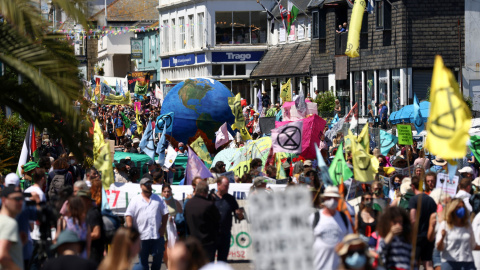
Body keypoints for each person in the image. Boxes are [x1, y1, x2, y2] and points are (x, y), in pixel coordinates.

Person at [125, 176, 169, 270]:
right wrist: (130, 229)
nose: (149, 186)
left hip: (156, 236)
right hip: (141, 237)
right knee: (142, 264)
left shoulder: (158, 199)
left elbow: (165, 213)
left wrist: (163, 227)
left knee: (157, 260)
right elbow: (129, 215)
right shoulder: (135, 200)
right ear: (141, 186)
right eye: (146, 184)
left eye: (150, 184)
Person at [310, 186, 353, 270]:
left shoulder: (343, 218)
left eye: (335, 198)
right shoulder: (314, 218)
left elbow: (350, 241)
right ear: (324, 199)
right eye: (329, 198)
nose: (332, 200)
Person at [436, 199, 479, 269]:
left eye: (463, 207)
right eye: (459, 207)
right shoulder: (445, 225)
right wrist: (442, 237)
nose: (461, 209)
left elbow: (473, 245)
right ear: (452, 209)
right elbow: (439, 247)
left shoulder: (467, 225)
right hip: (450, 262)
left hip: (468, 262)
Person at [184, 181, 220, 262]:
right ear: (206, 192)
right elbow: (217, 218)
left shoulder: (188, 204)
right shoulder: (209, 205)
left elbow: (185, 218)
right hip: (207, 243)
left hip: (193, 241)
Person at [212, 177, 244, 262]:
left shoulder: (231, 199)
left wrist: (239, 214)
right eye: (225, 186)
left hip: (225, 235)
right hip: (212, 235)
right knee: (209, 261)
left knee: (222, 261)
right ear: (218, 184)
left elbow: (239, 217)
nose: (227, 188)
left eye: (228, 186)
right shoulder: (211, 198)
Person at [409, 176, 437, 270]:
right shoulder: (431, 200)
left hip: (417, 236)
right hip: (429, 235)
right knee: (428, 263)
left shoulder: (413, 200)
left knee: (414, 263)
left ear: (413, 186)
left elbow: (413, 219)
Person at [0, 185, 24, 270]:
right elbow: (2, 255)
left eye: (22, 199)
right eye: (16, 199)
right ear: (4, 200)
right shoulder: (10, 223)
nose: (21, 202)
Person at [77, 190, 104, 265]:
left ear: (88, 201)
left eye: (81, 200)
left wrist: (80, 236)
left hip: (94, 252)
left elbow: (96, 233)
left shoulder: (92, 213)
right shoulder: (86, 213)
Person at [162, 184, 183, 269]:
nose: (167, 193)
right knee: (165, 252)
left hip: (173, 229)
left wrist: (174, 218)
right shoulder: (160, 202)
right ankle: (168, 266)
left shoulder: (175, 202)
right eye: (165, 191)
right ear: (162, 192)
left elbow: (181, 214)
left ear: (171, 192)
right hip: (163, 229)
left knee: (172, 250)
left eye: (168, 191)